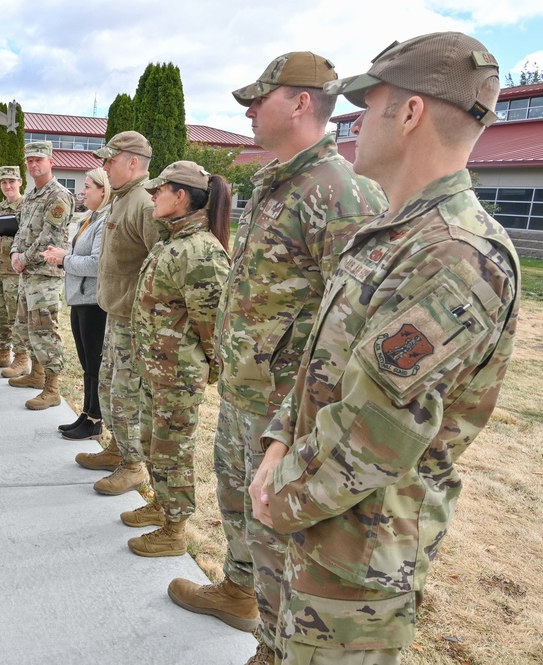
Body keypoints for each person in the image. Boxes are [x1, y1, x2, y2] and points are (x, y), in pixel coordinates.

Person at [248, 32, 519, 664]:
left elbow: (377, 434)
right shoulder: (388, 233)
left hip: (359, 551)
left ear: (411, 112)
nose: (353, 125)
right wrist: (280, 443)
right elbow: (322, 361)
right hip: (316, 513)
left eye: (367, 108)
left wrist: (279, 500)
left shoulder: (453, 254)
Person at [165, 52, 387, 665]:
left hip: (287, 409)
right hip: (246, 391)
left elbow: (354, 318)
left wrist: (294, 425)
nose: (248, 110)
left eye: (259, 98)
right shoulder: (281, 182)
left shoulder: (343, 193)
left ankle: (275, 645)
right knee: (239, 510)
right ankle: (239, 593)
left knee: (279, 532)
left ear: (300, 103)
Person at [123, 161, 231, 558]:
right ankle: (161, 505)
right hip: (158, 370)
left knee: (173, 449)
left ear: (180, 196)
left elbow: (213, 326)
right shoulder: (171, 242)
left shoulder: (201, 251)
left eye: (159, 190)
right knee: (154, 443)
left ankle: (175, 529)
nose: (152, 196)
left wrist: (206, 370)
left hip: (178, 375)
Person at [75, 131, 161, 497]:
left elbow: (160, 264)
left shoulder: (144, 203)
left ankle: (133, 465)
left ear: (132, 162)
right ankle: (118, 448)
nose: (105, 166)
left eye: (110, 160)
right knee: (110, 389)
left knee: (127, 394)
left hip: (133, 320)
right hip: (114, 315)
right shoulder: (121, 200)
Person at [41, 168, 110, 440]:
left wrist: (64, 260)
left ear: (104, 191)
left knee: (94, 362)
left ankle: (95, 420)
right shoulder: (89, 218)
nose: (83, 191)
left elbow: (97, 264)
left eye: (89, 186)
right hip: (80, 300)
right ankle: (86, 413)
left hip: (94, 303)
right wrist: (63, 254)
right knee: (85, 362)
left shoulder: (105, 222)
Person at [9, 141, 73, 410]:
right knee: (27, 329)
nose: (34, 165)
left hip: (45, 275)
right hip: (28, 275)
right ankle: (36, 375)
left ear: (50, 161)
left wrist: (23, 258)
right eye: (30, 161)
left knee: (45, 330)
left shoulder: (57, 196)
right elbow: (20, 229)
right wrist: (14, 252)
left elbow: (50, 237)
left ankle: (52, 388)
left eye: (39, 160)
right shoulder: (32, 196)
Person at [0, 166, 31, 376]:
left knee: (16, 317)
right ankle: (2, 353)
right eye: (3, 182)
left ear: (20, 182)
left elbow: (29, 240)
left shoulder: (28, 207)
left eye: (11, 181)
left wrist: (5, 242)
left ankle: (21, 358)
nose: (8, 186)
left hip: (14, 272)